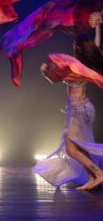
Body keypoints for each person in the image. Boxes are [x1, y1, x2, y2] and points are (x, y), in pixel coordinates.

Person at [35, 18, 103, 191]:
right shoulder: (87, 64)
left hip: (79, 110)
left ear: (78, 47)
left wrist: (44, 70)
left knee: (71, 148)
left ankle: (99, 174)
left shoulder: (75, 67)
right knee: (81, 146)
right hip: (85, 108)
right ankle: (92, 178)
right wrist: (97, 28)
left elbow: (55, 79)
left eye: (75, 44)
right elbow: (95, 46)